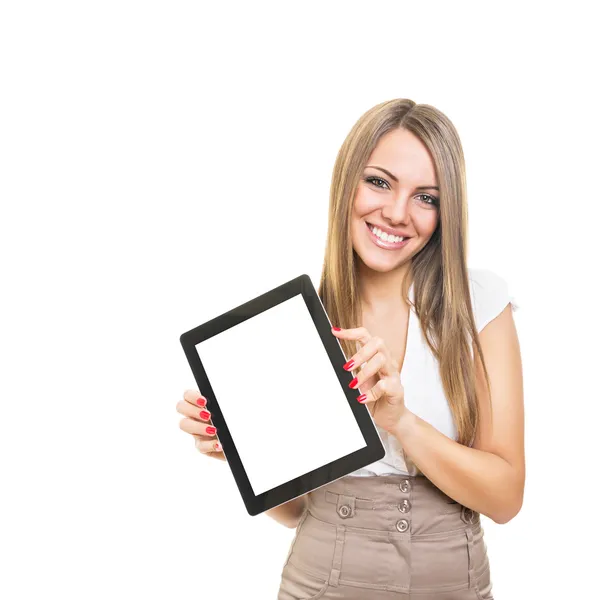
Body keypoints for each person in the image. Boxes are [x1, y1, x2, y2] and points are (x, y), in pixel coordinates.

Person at [176, 98, 524, 599]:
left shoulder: (479, 303)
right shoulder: (300, 325)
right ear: (347, 182)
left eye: (426, 197)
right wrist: (242, 452)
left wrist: (400, 420)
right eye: (379, 182)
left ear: (446, 212)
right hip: (322, 580)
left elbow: (506, 497)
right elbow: (297, 512)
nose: (397, 213)